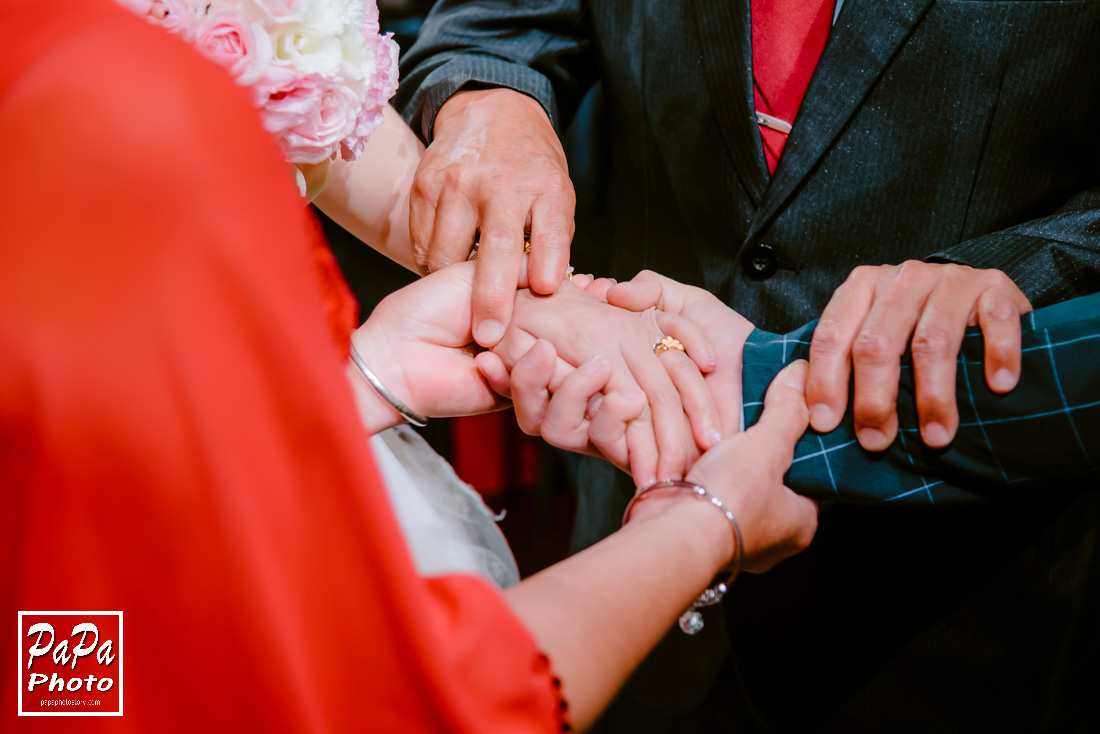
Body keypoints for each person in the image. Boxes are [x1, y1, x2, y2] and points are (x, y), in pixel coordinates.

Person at [0, 0, 819, 730]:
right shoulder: (121, 124)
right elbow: (421, 700)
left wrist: (365, 378)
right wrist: (704, 521)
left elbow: (73, 657)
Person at [395, 2, 1100, 731]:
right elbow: (497, 26)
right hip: (628, 534)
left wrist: (1026, 268)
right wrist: (491, 99)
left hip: (949, 594)